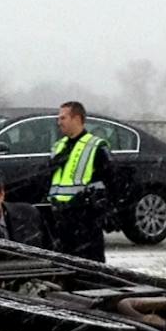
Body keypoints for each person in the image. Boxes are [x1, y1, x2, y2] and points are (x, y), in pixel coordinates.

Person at [44, 100, 109, 261]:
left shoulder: (95, 146)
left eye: (63, 118)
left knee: (90, 269)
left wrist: (87, 202)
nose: (59, 122)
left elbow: (107, 181)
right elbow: (48, 180)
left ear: (77, 119)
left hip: (84, 220)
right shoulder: (58, 146)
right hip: (60, 219)